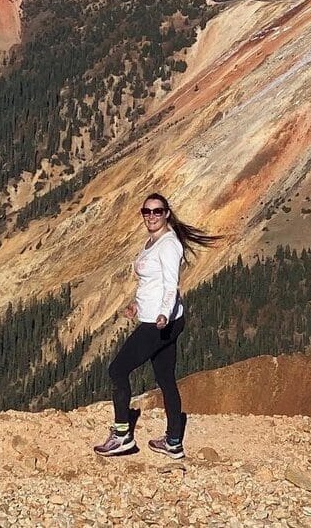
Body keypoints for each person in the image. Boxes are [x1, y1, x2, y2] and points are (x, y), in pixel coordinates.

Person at [93, 192, 220, 458]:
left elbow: (171, 284)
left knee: (117, 370)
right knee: (165, 379)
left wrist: (162, 314)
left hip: (159, 323)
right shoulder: (154, 241)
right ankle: (173, 441)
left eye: (157, 211)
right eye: (147, 212)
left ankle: (122, 435)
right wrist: (137, 304)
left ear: (167, 214)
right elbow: (152, 282)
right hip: (160, 317)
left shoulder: (169, 244)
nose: (151, 216)